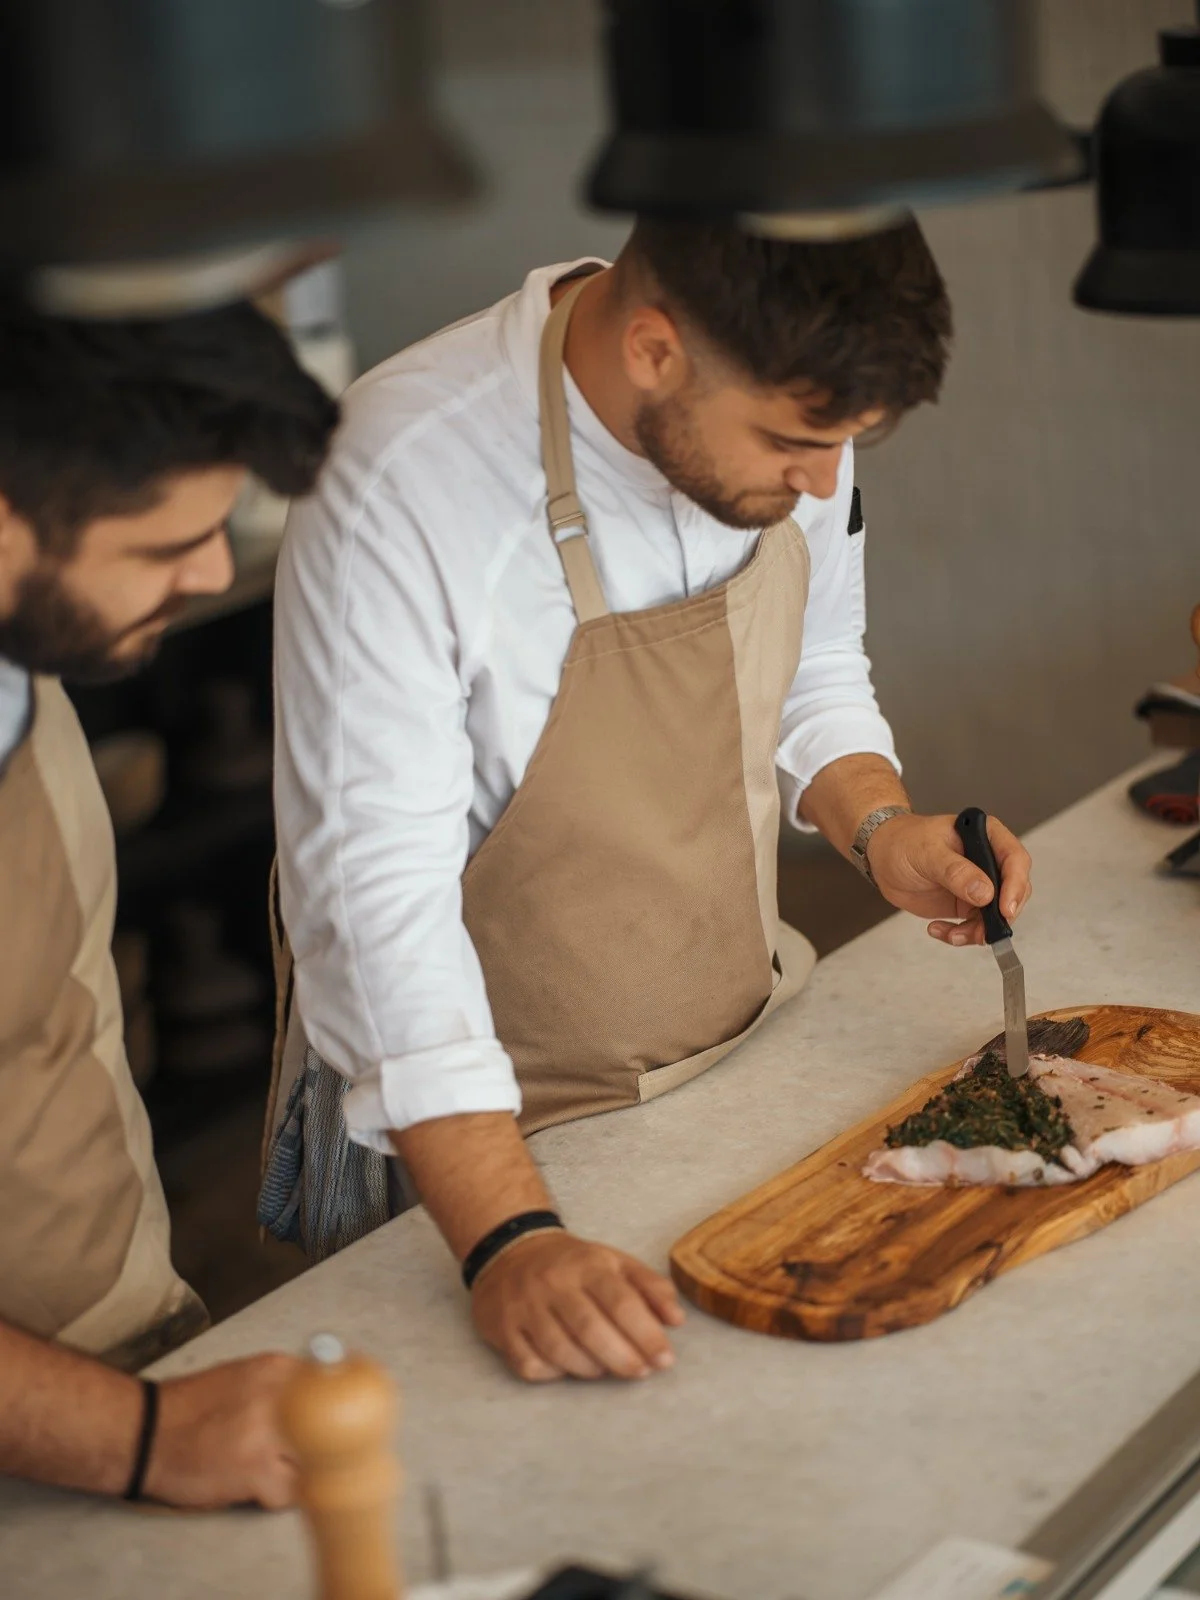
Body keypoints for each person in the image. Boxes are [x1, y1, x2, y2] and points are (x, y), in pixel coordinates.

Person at [267, 216, 1032, 1385]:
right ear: (657, 350)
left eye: (849, 445)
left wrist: (881, 824)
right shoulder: (400, 475)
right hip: (476, 1136)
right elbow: (370, 909)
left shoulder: (793, 410)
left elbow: (815, 662)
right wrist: (509, 1236)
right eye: (794, 442)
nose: (823, 480)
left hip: (725, 1055)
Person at [0, 296, 339, 1504]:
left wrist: (150, 1383)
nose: (208, 576)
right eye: (163, 547)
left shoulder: (26, 672)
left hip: (113, 1342)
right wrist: (134, 1437)